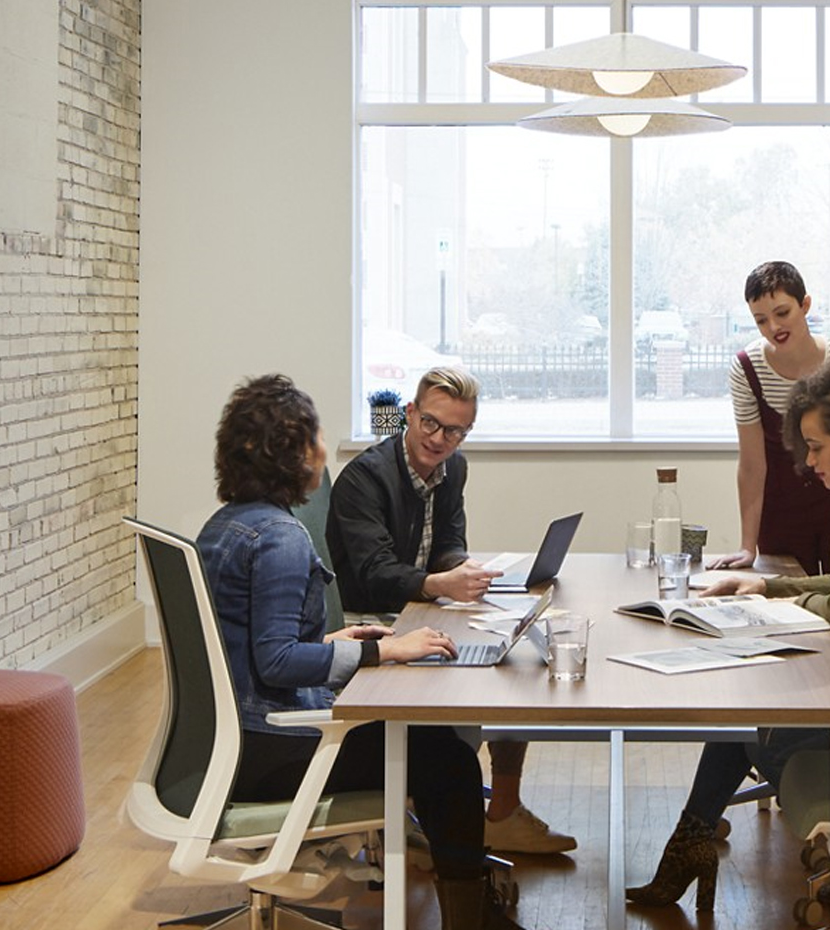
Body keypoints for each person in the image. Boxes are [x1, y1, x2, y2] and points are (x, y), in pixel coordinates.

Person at [197, 373, 535, 930]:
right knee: (446, 759)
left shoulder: (226, 525)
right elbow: (277, 662)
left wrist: (331, 643)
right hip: (274, 749)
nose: (324, 447)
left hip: (235, 740)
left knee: (429, 742)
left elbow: (252, 648)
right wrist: (385, 653)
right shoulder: (280, 538)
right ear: (296, 453)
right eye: (316, 435)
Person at [626, 352, 830, 910]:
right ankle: (691, 845)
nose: (808, 460)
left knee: (755, 727)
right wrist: (762, 590)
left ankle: (708, 848)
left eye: (817, 446)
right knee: (748, 716)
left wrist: (774, 604)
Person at [326, 365, 577, 856]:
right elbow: (374, 572)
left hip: (421, 606)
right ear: (410, 414)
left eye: (456, 431)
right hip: (374, 617)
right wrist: (439, 582)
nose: (440, 439)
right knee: (472, 682)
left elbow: (447, 541)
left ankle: (493, 809)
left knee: (511, 667)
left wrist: (461, 567)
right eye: (431, 424)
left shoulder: (452, 468)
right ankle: (444, 806)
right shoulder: (366, 478)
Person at [709, 261, 830, 575]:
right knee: (785, 609)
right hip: (780, 515)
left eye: (782, 313)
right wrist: (748, 545)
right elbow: (752, 464)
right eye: (761, 320)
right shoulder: (748, 368)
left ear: (805, 305)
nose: (773, 327)